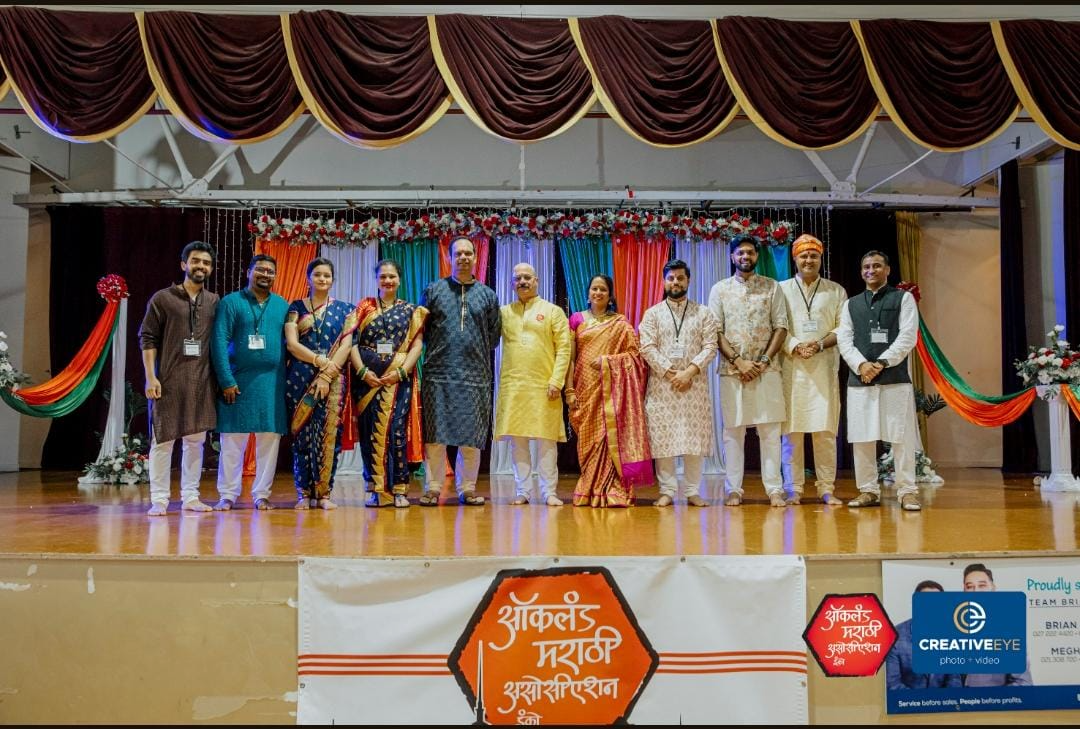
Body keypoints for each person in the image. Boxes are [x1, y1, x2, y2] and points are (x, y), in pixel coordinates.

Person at [418, 236, 501, 506]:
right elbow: (422, 331)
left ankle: (468, 488)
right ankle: (433, 487)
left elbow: (493, 335)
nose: (463, 258)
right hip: (438, 374)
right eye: (458, 254)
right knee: (435, 434)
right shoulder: (433, 291)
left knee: (471, 436)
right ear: (449, 258)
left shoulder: (487, 295)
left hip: (475, 375)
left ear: (475, 258)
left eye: (468, 253)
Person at [139, 240, 220, 516]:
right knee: (163, 441)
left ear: (211, 269)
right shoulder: (163, 298)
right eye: (195, 261)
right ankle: (159, 499)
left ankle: (191, 497)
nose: (201, 266)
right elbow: (147, 338)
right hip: (168, 382)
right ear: (184, 264)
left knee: (195, 442)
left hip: (201, 383)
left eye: (206, 263)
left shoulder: (213, 301)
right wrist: (151, 377)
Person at [837, 251, 922, 511]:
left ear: (887, 270)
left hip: (894, 379)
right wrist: (862, 365)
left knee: (901, 436)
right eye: (866, 267)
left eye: (876, 266)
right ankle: (868, 490)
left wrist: (882, 363)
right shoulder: (851, 304)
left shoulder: (903, 299)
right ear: (861, 271)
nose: (870, 270)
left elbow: (908, 336)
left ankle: (907, 491)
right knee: (862, 436)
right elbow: (844, 339)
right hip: (860, 380)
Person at [709, 235, 790, 507]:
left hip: (767, 370)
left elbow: (781, 326)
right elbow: (715, 331)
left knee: (770, 431)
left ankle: (774, 489)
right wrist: (739, 362)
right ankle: (734, 489)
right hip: (732, 372)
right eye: (740, 252)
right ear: (732, 256)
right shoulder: (719, 289)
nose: (745, 256)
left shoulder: (772, 287)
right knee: (733, 432)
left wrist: (763, 361)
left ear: (757, 256)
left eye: (750, 252)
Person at [210, 254, 289, 511]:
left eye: (270, 271)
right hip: (237, 383)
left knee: (269, 440)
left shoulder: (282, 305)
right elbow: (219, 341)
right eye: (260, 270)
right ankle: (228, 495)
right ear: (249, 272)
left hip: (272, 385)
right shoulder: (231, 302)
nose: (265, 275)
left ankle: (261, 494)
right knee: (233, 441)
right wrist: (226, 380)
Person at [568, 275, 653, 508]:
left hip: (611, 392)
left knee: (608, 439)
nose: (598, 293)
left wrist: (608, 362)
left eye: (603, 289)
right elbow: (570, 359)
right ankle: (589, 488)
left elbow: (636, 357)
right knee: (589, 442)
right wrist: (569, 390)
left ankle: (613, 490)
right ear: (588, 293)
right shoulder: (576, 319)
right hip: (584, 389)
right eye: (594, 289)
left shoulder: (620, 323)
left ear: (610, 295)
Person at [639, 259, 718, 507]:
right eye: (671, 278)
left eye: (680, 278)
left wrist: (689, 372)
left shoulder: (703, 313)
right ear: (664, 282)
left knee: (694, 440)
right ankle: (667, 491)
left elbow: (711, 346)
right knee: (664, 440)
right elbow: (646, 347)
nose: (676, 282)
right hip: (663, 387)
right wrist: (671, 373)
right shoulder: (652, 314)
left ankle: (693, 491)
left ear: (688, 280)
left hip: (694, 386)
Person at [350, 259, 428, 508]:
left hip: (398, 381)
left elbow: (417, 345)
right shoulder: (364, 307)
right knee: (370, 433)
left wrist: (402, 372)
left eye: (392, 276)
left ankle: (399, 489)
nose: (387, 281)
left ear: (399, 280)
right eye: (383, 276)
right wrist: (362, 371)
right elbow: (351, 343)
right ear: (376, 280)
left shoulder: (411, 310)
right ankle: (376, 490)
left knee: (397, 431)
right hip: (368, 382)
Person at [493, 263, 572, 506]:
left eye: (527, 277)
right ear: (512, 284)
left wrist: (557, 381)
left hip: (544, 386)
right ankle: (523, 491)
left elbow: (564, 349)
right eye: (518, 278)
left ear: (536, 281)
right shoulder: (504, 313)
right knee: (518, 442)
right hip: (513, 386)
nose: (523, 282)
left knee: (547, 441)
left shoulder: (552, 311)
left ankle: (549, 492)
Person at [284, 257, 357, 511]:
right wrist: (318, 360)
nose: (322, 279)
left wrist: (327, 374)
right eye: (317, 275)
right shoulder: (296, 307)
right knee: (302, 435)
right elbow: (292, 344)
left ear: (333, 280)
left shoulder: (346, 310)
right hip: (300, 377)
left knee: (329, 435)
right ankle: (304, 493)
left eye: (327, 275)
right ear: (308, 278)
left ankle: (324, 493)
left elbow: (346, 345)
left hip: (333, 379)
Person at [778, 234, 845, 505]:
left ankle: (826, 488)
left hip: (823, 368)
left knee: (825, 433)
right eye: (803, 255)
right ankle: (793, 489)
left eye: (814, 256)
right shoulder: (780, 289)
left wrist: (818, 344)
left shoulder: (835, 290)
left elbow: (843, 327)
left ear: (821, 258)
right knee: (791, 434)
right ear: (795, 259)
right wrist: (794, 345)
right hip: (791, 369)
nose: (808, 260)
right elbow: (775, 326)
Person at [961, 563, 1033, 686]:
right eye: (970, 587)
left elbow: (1023, 682)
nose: (976, 591)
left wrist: (995, 697)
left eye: (982, 585)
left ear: (993, 588)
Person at [886, 580, 962, 690]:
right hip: (907, 700)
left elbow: (954, 679)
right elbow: (892, 685)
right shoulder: (895, 638)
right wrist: (923, 699)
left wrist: (945, 699)